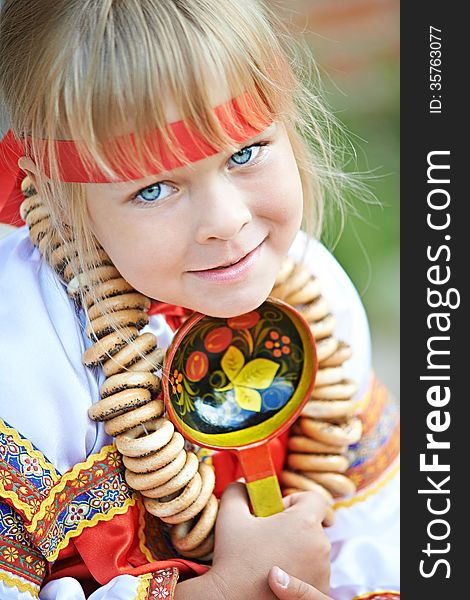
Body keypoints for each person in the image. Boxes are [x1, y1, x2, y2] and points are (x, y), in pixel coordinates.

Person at [0, 1, 399, 598]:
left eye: (244, 153)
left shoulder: (315, 288)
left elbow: (382, 530)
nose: (227, 222)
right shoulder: (25, 361)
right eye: (154, 188)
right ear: (61, 199)